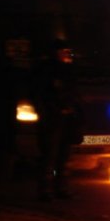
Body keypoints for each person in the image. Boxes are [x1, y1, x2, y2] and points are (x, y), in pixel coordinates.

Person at [32, 39, 83, 201]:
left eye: (68, 51)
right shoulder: (45, 70)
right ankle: (45, 190)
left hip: (67, 119)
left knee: (64, 156)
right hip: (52, 119)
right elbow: (39, 95)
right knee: (50, 156)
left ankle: (62, 188)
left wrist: (74, 109)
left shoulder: (69, 70)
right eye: (63, 51)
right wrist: (48, 112)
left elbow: (74, 93)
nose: (67, 54)